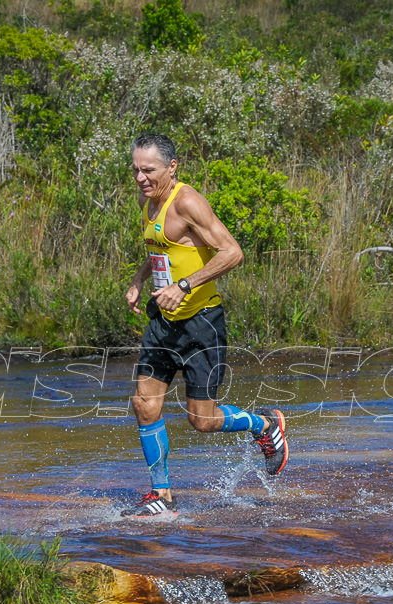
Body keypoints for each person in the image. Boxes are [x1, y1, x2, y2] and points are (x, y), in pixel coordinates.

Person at [121, 133, 289, 518]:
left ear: (171, 167)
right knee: (144, 404)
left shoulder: (188, 201)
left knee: (202, 419)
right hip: (164, 323)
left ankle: (264, 424)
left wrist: (185, 285)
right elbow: (160, 248)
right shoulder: (148, 200)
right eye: (136, 170)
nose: (141, 178)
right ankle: (161, 495)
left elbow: (233, 252)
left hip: (201, 324)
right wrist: (138, 280)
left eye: (149, 170)